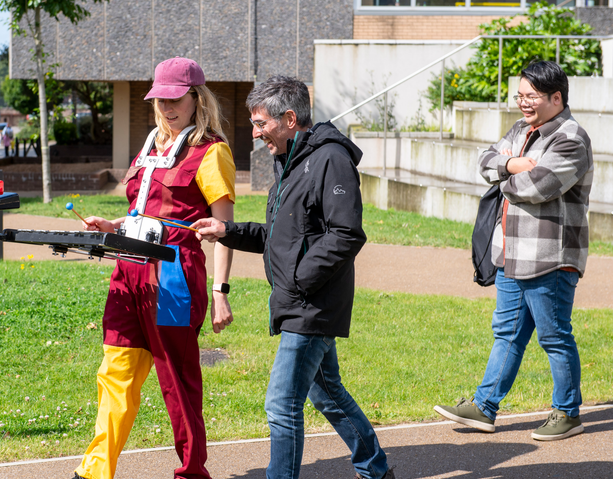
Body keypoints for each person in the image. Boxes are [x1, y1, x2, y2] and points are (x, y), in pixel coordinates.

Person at [192, 76, 395, 479]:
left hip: (312, 304)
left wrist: (300, 280)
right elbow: (279, 236)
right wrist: (226, 231)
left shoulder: (330, 159)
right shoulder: (289, 161)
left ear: (289, 118)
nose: (255, 133)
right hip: (298, 300)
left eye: (261, 123)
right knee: (327, 394)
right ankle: (375, 468)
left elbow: (346, 234)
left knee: (281, 404)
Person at [73, 57, 236, 479]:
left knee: (177, 383)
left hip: (173, 277)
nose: (165, 107)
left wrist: (221, 290)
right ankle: (94, 472)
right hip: (127, 269)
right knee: (115, 373)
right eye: (158, 99)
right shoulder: (149, 144)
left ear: (196, 99)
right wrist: (112, 225)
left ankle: (191, 473)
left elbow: (224, 228)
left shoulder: (212, 150)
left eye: (174, 98)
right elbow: (139, 211)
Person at [434, 61, 593, 441]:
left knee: (554, 335)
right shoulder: (522, 129)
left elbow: (537, 187)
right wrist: (512, 163)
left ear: (557, 97)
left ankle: (568, 413)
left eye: (531, 97)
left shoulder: (571, 138)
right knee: (506, 333)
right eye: (520, 95)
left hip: (550, 255)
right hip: (511, 253)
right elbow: (483, 160)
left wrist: (504, 176)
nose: (523, 103)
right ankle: (484, 408)